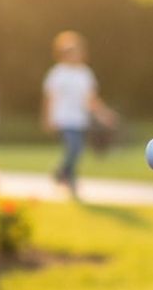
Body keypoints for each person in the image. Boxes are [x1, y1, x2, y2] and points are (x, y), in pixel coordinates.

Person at [41, 31, 118, 196]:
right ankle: (65, 176)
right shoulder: (57, 73)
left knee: (77, 150)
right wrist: (47, 118)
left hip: (79, 119)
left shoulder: (85, 74)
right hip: (63, 119)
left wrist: (104, 114)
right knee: (74, 147)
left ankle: (65, 175)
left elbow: (91, 99)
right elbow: (50, 98)